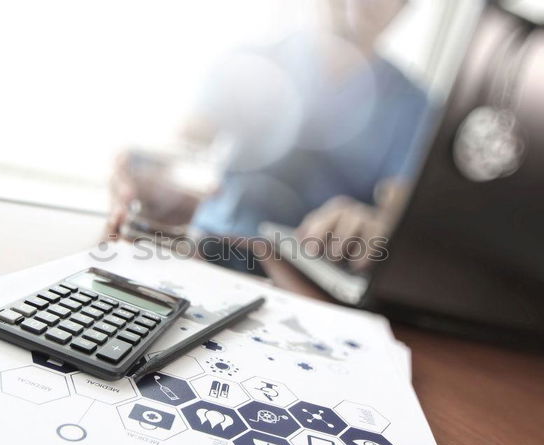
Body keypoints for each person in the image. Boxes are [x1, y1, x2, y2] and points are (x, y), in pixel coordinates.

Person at [107, 0, 429, 268]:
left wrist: (375, 226)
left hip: (311, 282)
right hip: (205, 254)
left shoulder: (415, 107)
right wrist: (145, 176)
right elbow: (182, 148)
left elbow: (398, 216)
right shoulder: (249, 61)